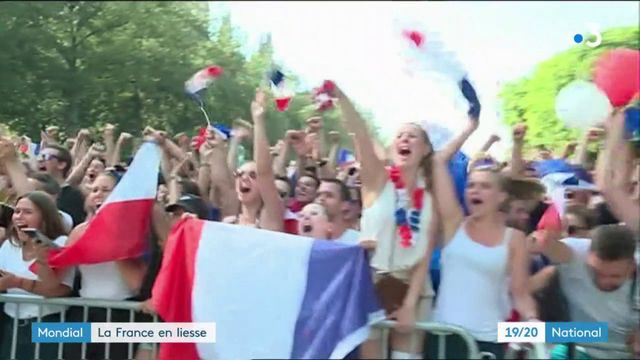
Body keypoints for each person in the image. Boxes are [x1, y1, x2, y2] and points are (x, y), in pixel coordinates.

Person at [335, 83, 448, 359]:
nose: (404, 140)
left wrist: (410, 303)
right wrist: (340, 94)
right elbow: (361, 135)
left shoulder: (433, 197)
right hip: (372, 285)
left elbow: (424, 257)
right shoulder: (377, 181)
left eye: (412, 137)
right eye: (399, 136)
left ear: (425, 150)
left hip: (415, 290)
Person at [429, 163, 538, 359]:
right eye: (471, 185)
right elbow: (438, 163)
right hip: (443, 335)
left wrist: (532, 319)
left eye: (485, 186)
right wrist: (470, 130)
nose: (475, 191)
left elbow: (520, 293)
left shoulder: (515, 239)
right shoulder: (453, 225)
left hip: (488, 341)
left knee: (593, 331)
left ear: (501, 196)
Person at [63, 171, 148, 360]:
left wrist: (111, 240)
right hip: (82, 313)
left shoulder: (135, 231)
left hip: (120, 315)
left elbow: (138, 286)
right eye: (94, 190)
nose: (97, 194)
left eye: (105, 190)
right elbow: (62, 274)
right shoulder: (79, 231)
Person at [540, 225, 638, 359]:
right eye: (597, 273)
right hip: (577, 339)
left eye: (615, 276)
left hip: (622, 351)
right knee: (512, 332)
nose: (604, 281)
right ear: (588, 256)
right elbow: (547, 246)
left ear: (632, 265)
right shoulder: (575, 253)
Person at [0, 191, 75, 360]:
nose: (19, 217)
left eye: (27, 212)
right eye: (17, 211)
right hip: (13, 325)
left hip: (49, 325)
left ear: (45, 217)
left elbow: (57, 290)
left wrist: (18, 281)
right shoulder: (9, 246)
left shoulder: (61, 243)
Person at [38, 144, 86, 226]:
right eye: (39, 156)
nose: (40, 160)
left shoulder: (74, 196)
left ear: (61, 165)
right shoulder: (32, 191)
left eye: (45, 157)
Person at [315, 178, 360, 244]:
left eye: (329, 195)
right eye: (318, 195)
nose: (321, 199)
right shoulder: (309, 239)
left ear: (345, 205)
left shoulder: (358, 242)